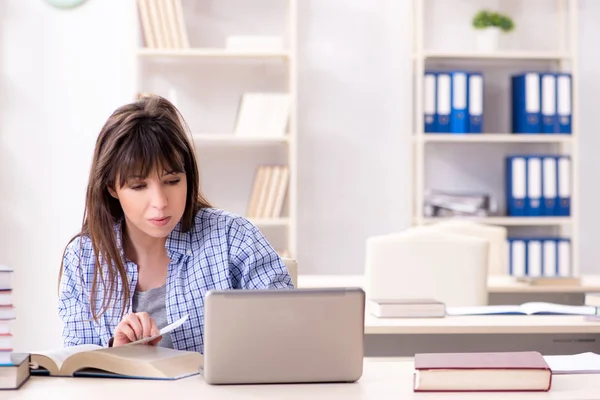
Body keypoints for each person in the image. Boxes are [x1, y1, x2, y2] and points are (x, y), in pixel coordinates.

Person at [58, 94, 294, 353]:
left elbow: (289, 335)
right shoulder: (83, 259)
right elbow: (76, 369)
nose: (160, 202)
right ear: (112, 188)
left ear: (188, 177)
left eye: (172, 181)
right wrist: (118, 353)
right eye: (139, 186)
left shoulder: (233, 238)